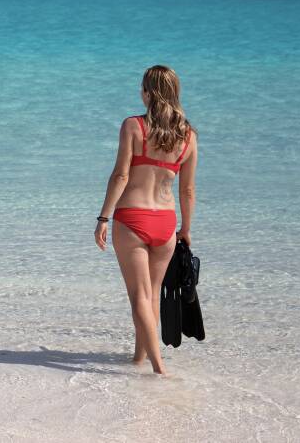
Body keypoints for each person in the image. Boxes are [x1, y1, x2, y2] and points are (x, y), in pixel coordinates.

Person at [93, 65, 198, 376]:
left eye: (142, 88)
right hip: (165, 222)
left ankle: (159, 367)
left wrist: (103, 217)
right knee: (150, 294)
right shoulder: (189, 137)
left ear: (148, 93)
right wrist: (186, 230)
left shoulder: (133, 127)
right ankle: (139, 358)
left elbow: (121, 175)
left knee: (139, 295)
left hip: (133, 219)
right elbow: (188, 190)